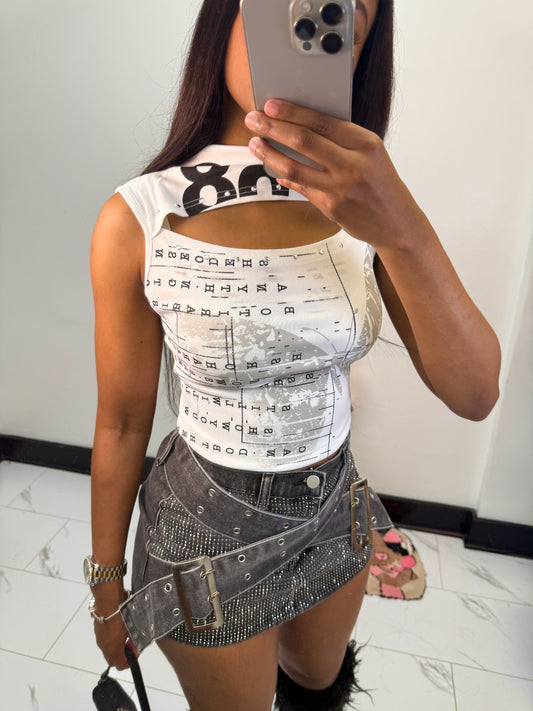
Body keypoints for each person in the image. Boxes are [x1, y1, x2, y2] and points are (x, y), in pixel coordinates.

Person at [87, 1, 501, 709]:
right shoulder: (141, 215)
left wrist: (401, 227)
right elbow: (122, 422)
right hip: (204, 533)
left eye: (340, 21)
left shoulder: (365, 205)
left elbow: (474, 392)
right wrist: (105, 585)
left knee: (317, 685)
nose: (306, 34)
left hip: (334, 510)